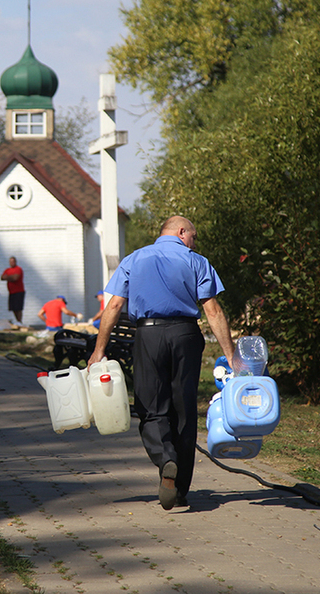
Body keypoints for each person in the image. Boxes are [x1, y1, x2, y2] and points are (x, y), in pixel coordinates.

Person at [88, 216, 235, 511]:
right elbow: (213, 311)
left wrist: (99, 350)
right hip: (185, 335)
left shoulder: (135, 259)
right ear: (182, 232)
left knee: (151, 407)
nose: (194, 242)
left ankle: (165, 458)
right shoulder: (197, 261)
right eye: (193, 236)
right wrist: (231, 356)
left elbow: (114, 305)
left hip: (148, 335)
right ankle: (180, 490)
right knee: (184, 409)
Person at [1, 256, 25, 325]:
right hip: (11, 292)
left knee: (18, 308)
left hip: (19, 291)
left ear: (15, 262)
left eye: (13, 261)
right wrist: (11, 277)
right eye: (10, 262)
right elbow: (2, 277)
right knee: (13, 308)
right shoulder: (7, 270)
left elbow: (15, 278)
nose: (12, 263)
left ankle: (20, 321)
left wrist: (8, 277)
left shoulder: (18, 269)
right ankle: (17, 321)